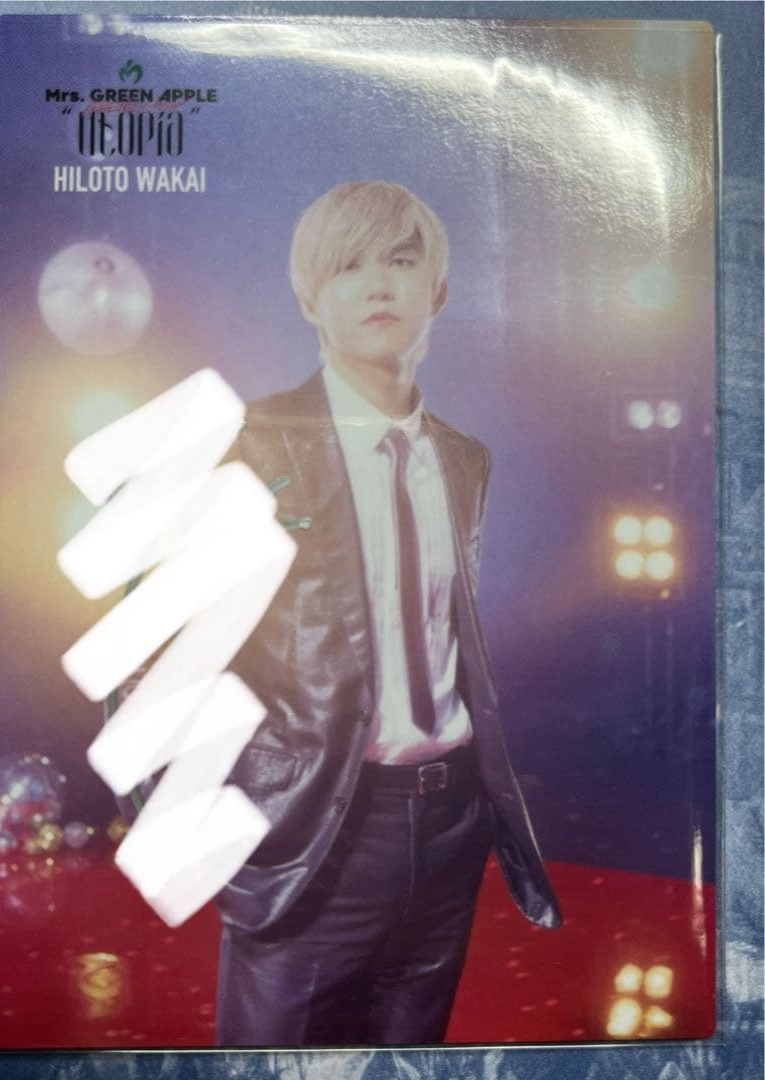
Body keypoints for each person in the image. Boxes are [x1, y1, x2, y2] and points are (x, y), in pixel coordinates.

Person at [216, 180, 560, 1047]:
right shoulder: (249, 443)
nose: (377, 285)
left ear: (437, 289)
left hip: (449, 828)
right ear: (309, 299)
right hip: (310, 834)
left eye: (401, 262)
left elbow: (445, 636)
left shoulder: (463, 459)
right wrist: (220, 836)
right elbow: (161, 656)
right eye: (347, 266)